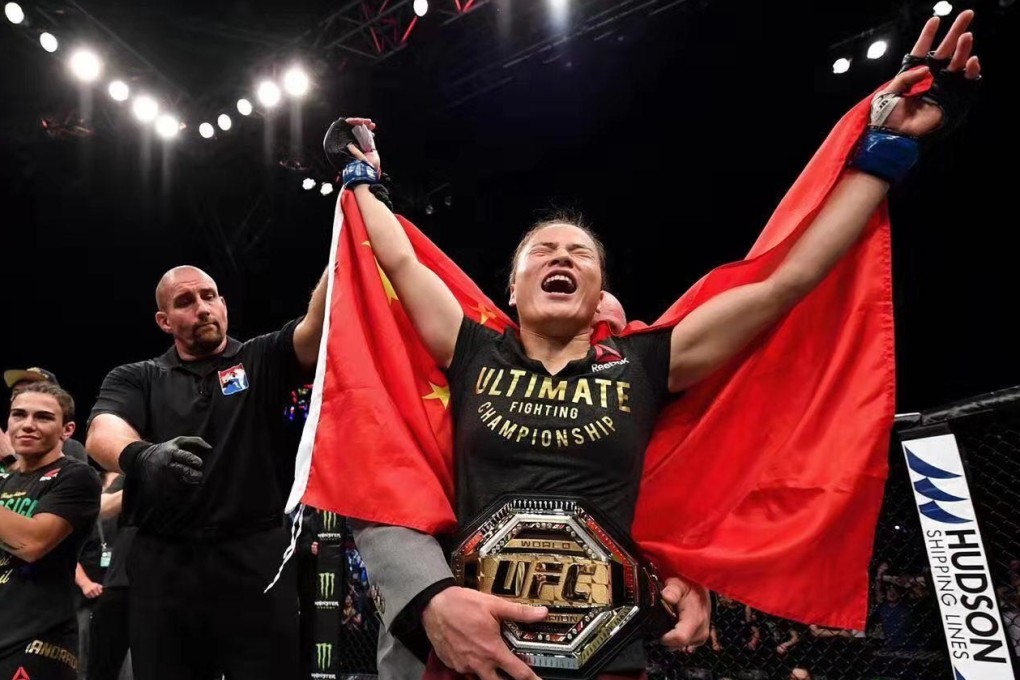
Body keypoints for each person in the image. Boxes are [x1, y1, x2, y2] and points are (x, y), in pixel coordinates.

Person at [339, 10, 981, 680]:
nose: (561, 256)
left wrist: (886, 153)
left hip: (606, 656)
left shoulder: (647, 362)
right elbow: (404, 264)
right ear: (511, 288)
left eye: (579, 254)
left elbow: (788, 279)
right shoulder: (472, 348)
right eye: (542, 251)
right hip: (478, 656)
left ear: (599, 295)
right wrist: (360, 180)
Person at [85, 264, 327, 680]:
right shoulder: (138, 376)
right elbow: (101, 431)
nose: (202, 308)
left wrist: (344, 241)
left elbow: (317, 324)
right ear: (164, 321)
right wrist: (143, 456)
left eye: (210, 296)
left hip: (256, 560)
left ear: (223, 304)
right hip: (166, 565)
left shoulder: (261, 357)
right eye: (185, 301)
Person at [0, 382, 102, 680]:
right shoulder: (4, 479)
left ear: (66, 430)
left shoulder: (76, 476)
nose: (27, 425)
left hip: (37, 641)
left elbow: (32, 543)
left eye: (43, 417)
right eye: (19, 415)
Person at [4, 367, 88, 463]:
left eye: (35, 389)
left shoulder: (71, 447)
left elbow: (70, 476)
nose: (25, 396)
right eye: (17, 392)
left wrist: (8, 459)